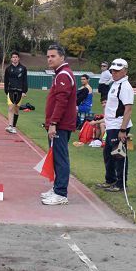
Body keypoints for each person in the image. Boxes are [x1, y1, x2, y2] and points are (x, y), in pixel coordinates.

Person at [40, 44, 77, 206]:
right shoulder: (60, 74)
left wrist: (53, 123)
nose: (49, 59)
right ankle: (57, 188)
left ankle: (61, 192)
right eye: (48, 56)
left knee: (60, 158)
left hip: (60, 125)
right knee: (56, 157)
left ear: (62, 57)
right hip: (58, 124)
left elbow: (62, 102)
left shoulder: (63, 75)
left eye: (53, 56)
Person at [98, 58, 134, 193]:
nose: (114, 72)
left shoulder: (125, 86)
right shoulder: (115, 83)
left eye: (117, 71)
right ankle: (110, 179)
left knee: (119, 154)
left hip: (119, 125)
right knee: (108, 153)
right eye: (113, 70)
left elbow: (128, 109)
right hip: (112, 124)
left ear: (125, 71)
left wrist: (123, 130)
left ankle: (121, 183)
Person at [3, 51, 28, 133]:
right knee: (10, 108)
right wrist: (6, 90)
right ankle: (10, 126)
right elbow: (6, 80)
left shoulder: (23, 68)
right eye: (13, 57)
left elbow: (25, 80)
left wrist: (24, 91)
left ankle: (14, 126)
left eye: (16, 57)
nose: (15, 58)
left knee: (16, 109)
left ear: (18, 58)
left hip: (20, 91)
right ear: (11, 59)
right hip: (10, 90)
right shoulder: (8, 69)